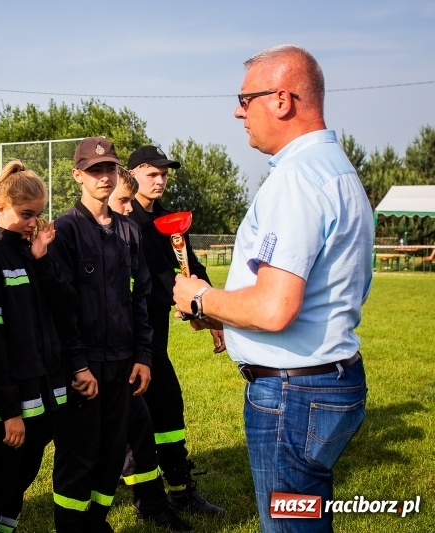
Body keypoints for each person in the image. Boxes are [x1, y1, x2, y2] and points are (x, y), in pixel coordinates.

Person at [173, 44, 372, 533]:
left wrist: (199, 297)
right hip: (325, 380)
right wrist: (221, 313)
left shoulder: (298, 180)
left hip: (293, 393)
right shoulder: (335, 169)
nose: (238, 111)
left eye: (245, 99)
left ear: (281, 100)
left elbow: (273, 308)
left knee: (290, 525)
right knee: (306, 514)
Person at [0, 160, 73, 533]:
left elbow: (61, 308)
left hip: (40, 394)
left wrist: (41, 261)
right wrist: (8, 412)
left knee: (18, 481)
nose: (32, 223)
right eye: (25, 214)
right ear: (1, 206)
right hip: (8, 401)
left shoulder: (29, 252)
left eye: (37, 215)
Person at [49, 137, 152, 533]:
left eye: (108, 168)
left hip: (123, 362)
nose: (103, 176)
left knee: (111, 454)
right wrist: (77, 364)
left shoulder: (129, 230)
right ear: (77, 175)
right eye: (94, 170)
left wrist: (142, 355)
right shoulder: (66, 230)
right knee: (79, 454)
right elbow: (62, 307)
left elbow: (140, 297)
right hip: (84, 366)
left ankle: (95, 524)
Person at [127, 145, 225, 516]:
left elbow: (194, 268)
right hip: (128, 339)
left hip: (156, 341)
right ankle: (145, 499)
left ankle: (181, 491)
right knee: (132, 423)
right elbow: (153, 276)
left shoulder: (170, 222)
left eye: (164, 174)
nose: (160, 179)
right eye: (152, 173)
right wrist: (187, 300)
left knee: (168, 411)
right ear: (132, 173)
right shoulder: (125, 220)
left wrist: (213, 311)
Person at [108, 170, 194, 532]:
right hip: (97, 359)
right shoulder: (75, 234)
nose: (131, 209)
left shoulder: (133, 236)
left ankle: (165, 498)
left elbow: (142, 298)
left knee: (149, 423)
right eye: (123, 202)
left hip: (138, 350)